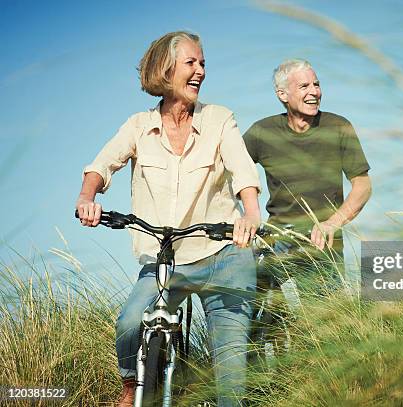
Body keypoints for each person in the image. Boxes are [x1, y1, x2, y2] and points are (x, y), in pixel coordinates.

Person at [75, 31, 260, 407]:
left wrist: (251, 213)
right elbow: (101, 165)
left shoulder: (220, 119)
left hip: (223, 255)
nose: (200, 71)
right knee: (130, 324)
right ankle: (134, 388)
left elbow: (243, 172)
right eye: (191, 62)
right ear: (166, 68)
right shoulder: (139, 126)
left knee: (231, 376)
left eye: (203, 63)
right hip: (165, 261)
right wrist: (87, 197)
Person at [243, 59, 371, 261]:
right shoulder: (262, 132)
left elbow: (363, 186)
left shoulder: (338, 127)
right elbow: (232, 169)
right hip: (278, 237)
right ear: (282, 94)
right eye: (304, 86)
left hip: (324, 239)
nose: (314, 92)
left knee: (325, 294)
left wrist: (332, 223)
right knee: (256, 288)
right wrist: (249, 213)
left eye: (316, 84)